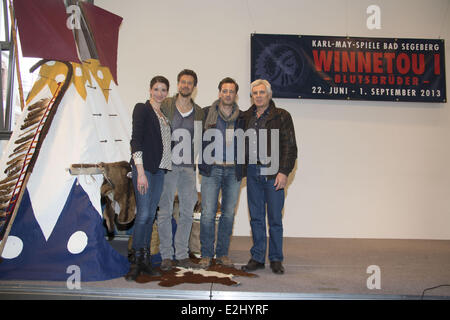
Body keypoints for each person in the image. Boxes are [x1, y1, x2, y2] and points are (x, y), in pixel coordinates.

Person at [241, 79, 297, 275]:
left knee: (274, 219)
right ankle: (257, 257)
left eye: (261, 92)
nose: (258, 96)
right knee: (256, 218)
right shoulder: (246, 116)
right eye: (254, 93)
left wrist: (284, 172)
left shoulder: (282, 116)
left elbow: (290, 146)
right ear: (251, 96)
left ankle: (275, 258)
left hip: (273, 174)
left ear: (269, 95)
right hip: (253, 173)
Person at [157, 69, 204, 270]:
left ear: (194, 87)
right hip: (167, 166)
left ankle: (182, 253)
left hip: (187, 168)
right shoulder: (165, 104)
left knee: (186, 212)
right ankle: (167, 255)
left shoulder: (199, 112)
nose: (186, 85)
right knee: (165, 211)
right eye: (183, 82)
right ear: (178, 84)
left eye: (190, 83)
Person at [126, 76, 172, 281]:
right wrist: (140, 171)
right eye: (156, 89)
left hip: (160, 170)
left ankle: (145, 260)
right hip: (145, 170)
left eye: (163, 90)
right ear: (150, 90)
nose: (159, 93)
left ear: (167, 93)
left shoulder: (163, 115)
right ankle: (136, 261)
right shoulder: (142, 109)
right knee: (143, 215)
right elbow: (136, 139)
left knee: (151, 215)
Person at [198, 77, 245, 269]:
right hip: (212, 169)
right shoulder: (206, 114)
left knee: (228, 214)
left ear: (235, 95)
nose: (227, 94)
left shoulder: (243, 117)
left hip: (233, 171)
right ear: (219, 93)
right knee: (208, 213)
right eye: (224, 91)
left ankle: (223, 253)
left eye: (231, 91)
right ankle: (206, 254)